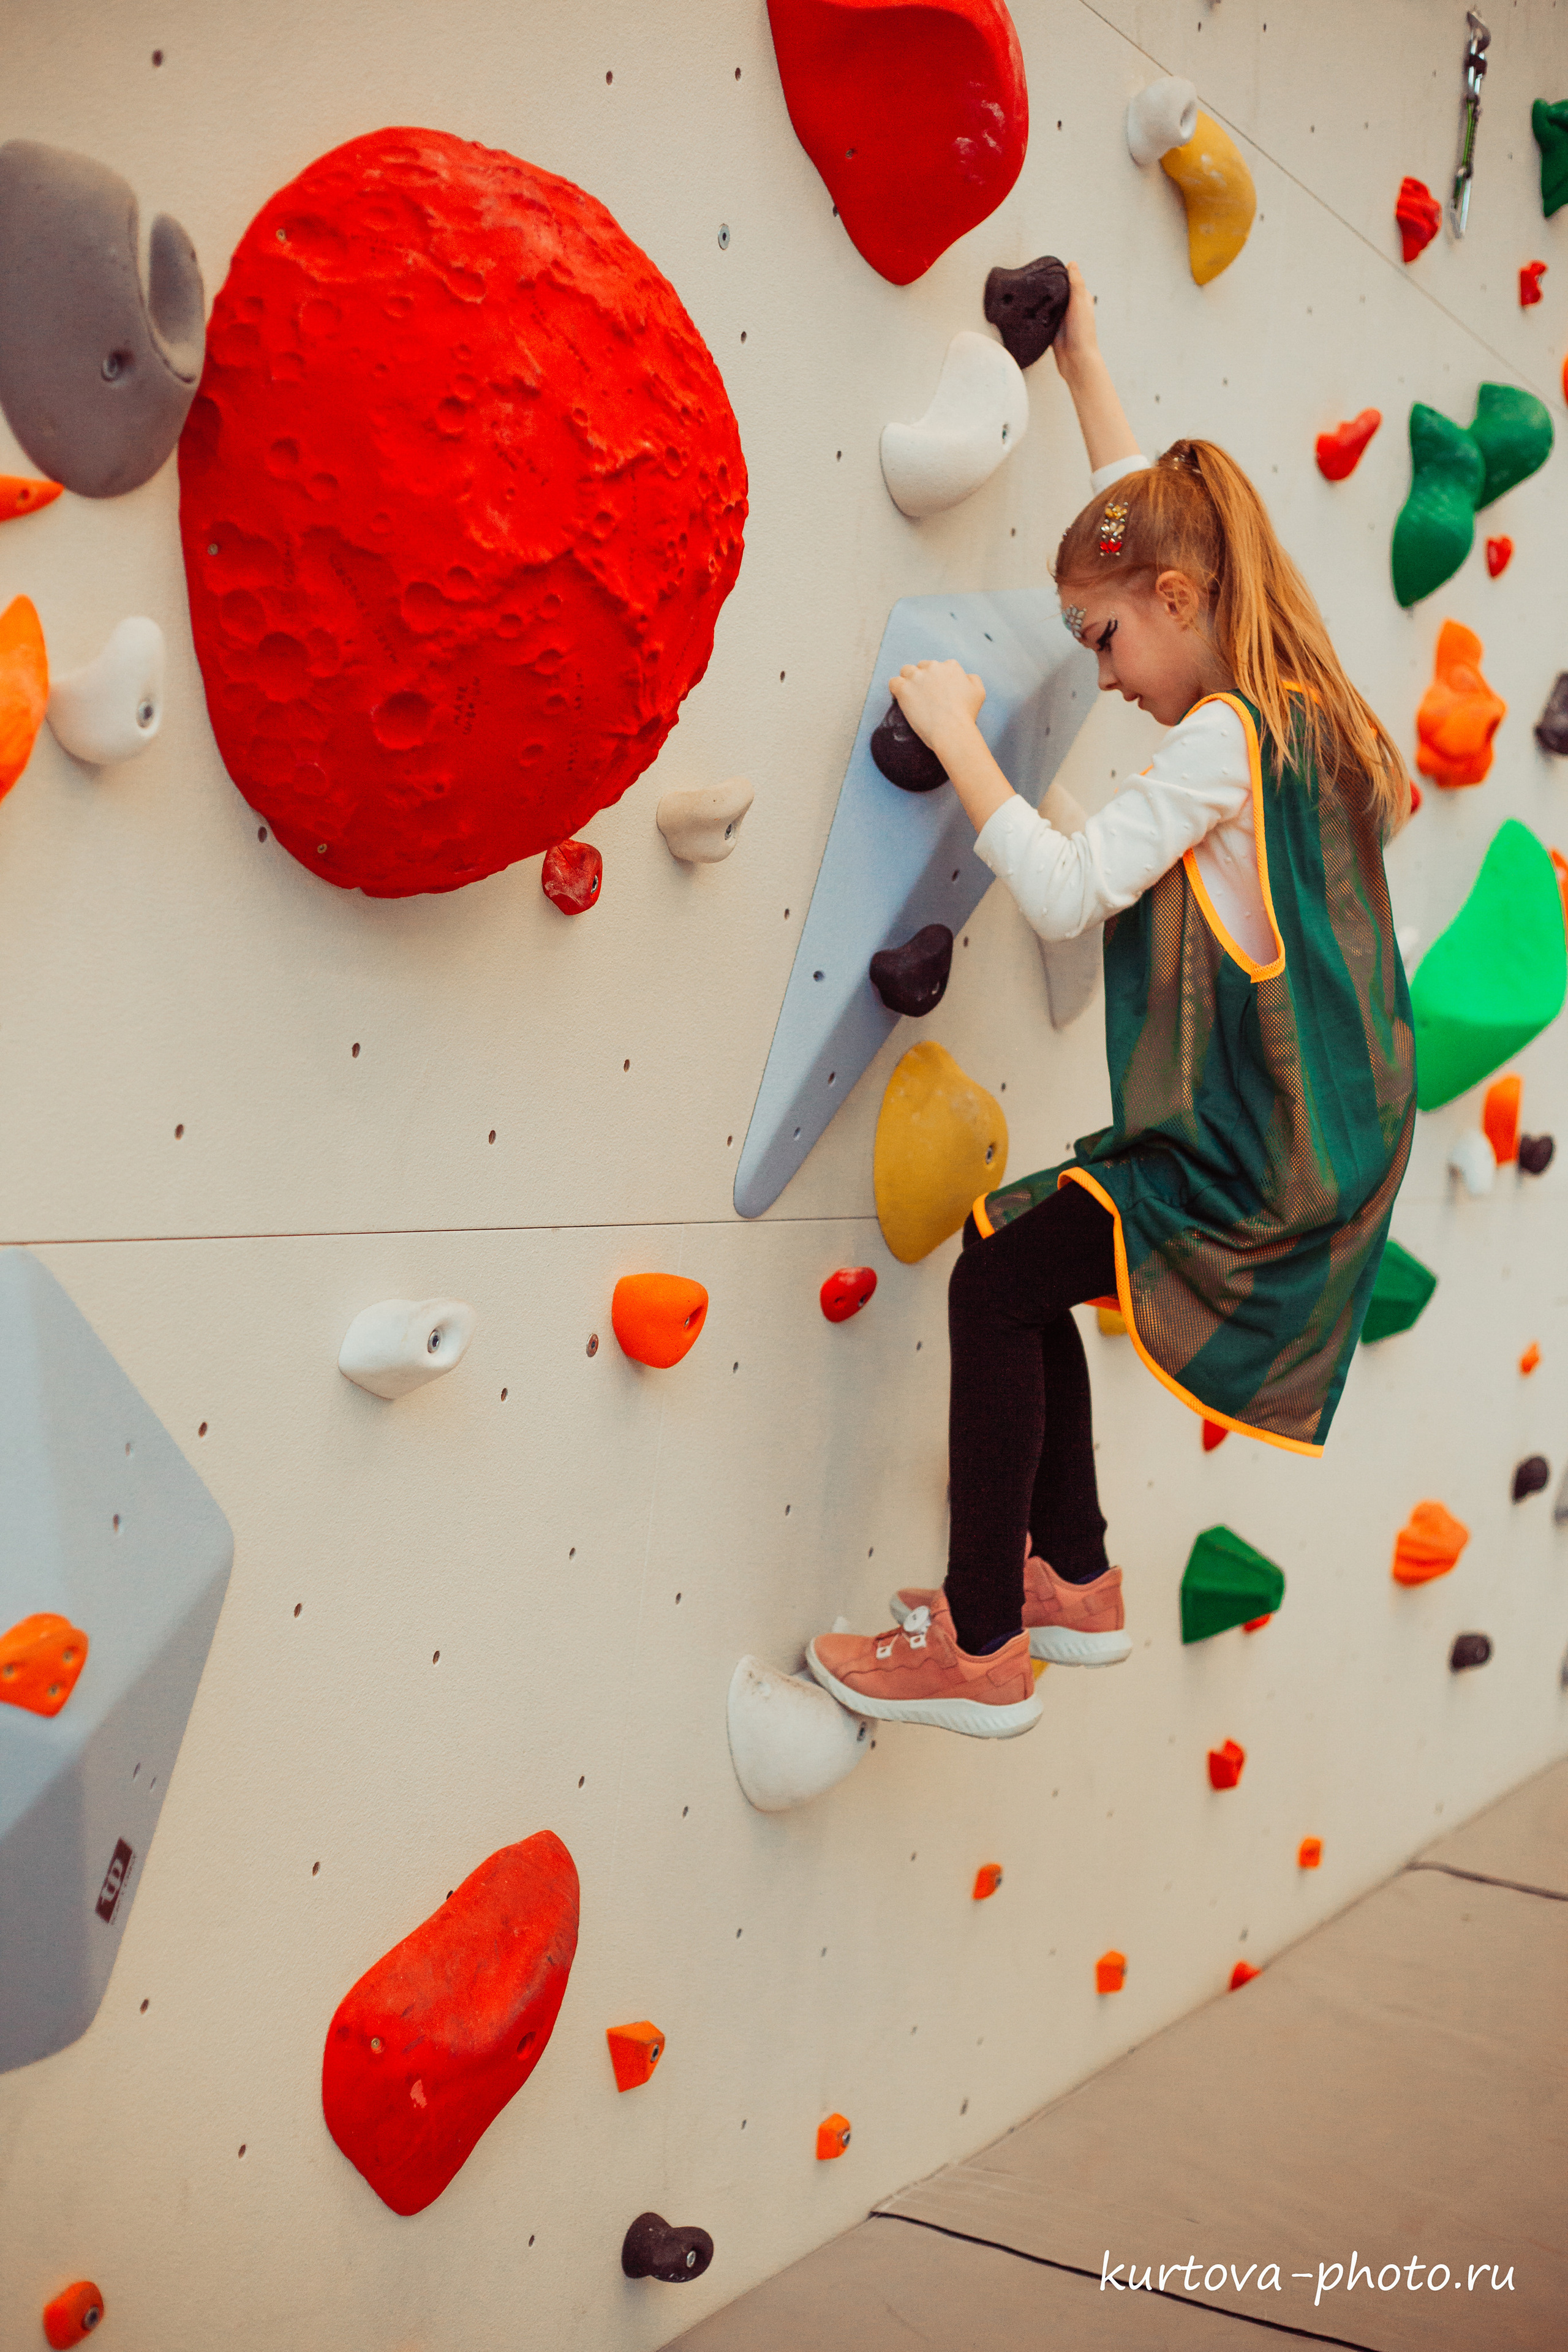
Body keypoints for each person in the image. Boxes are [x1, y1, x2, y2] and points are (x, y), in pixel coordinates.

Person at [807, 265, 1416, 1742]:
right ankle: (1070, 1575)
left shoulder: (1218, 740)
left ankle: (982, 1641)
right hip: (1313, 1132)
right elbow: (1148, 521)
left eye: (1102, 645)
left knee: (993, 1282)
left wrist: (960, 737)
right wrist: (1082, 359)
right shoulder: (1303, 700)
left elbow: (1072, 888)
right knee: (1025, 1245)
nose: (1102, 675)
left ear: (1178, 606)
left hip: (1255, 1150)